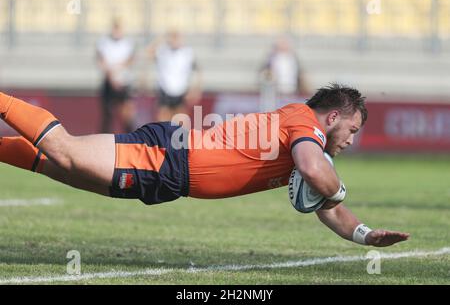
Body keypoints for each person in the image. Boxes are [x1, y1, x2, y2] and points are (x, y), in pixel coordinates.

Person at [0, 84, 409, 247]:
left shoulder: (311, 146)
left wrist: (365, 235)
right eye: (352, 130)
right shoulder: (305, 127)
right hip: (169, 158)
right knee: (65, 151)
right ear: (334, 118)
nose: (351, 141)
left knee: (59, 167)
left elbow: (327, 205)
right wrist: (337, 187)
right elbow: (319, 177)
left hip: (171, 178)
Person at [147, 30, 202, 122]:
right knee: (162, 124)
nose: (175, 40)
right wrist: (160, 38)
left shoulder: (187, 52)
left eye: (177, 37)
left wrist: (196, 89)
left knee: (181, 125)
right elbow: (149, 52)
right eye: (173, 37)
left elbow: (198, 70)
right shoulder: (163, 50)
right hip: (164, 91)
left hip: (181, 92)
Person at [96, 19, 136, 133]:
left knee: (127, 113)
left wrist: (118, 74)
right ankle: (105, 137)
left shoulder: (128, 43)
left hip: (124, 82)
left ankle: (130, 137)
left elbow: (130, 60)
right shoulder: (104, 42)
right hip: (109, 81)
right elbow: (101, 60)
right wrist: (110, 76)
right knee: (107, 113)